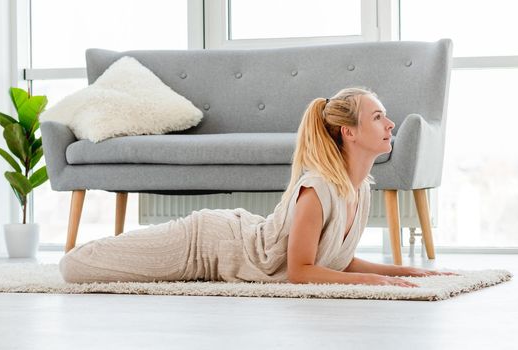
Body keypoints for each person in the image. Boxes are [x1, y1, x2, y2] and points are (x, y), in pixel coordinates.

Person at [59, 86, 455, 287]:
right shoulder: (317, 188)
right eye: (378, 117)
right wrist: (371, 282)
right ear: (349, 132)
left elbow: (335, 262)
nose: (390, 125)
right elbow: (301, 272)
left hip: (226, 250)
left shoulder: (361, 188)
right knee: (75, 266)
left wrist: (406, 271)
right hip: (206, 243)